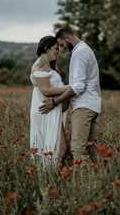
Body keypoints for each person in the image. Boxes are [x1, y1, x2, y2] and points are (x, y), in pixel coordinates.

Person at [39, 28, 102, 163]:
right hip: (92, 105)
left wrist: (56, 102)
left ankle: (86, 182)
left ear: (67, 38)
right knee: (92, 149)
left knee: (77, 149)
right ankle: (102, 179)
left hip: (84, 106)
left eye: (61, 45)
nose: (61, 49)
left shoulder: (79, 53)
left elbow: (78, 86)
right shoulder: (85, 49)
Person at [29, 36, 72, 164]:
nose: (58, 52)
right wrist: (71, 88)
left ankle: (52, 176)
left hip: (53, 109)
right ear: (46, 49)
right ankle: (49, 176)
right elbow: (46, 90)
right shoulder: (39, 66)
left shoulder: (49, 65)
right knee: (58, 147)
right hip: (46, 110)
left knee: (58, 147)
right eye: (55, 49)